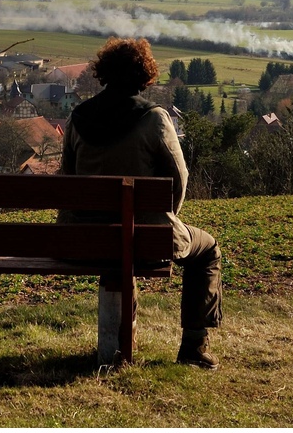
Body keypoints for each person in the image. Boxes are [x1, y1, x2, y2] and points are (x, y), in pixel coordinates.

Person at [59, 36, 222, 369]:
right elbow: (179, 180)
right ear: (144, 74)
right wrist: (165, 218)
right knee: (208, 250)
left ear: (103, 73)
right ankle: (194, 347)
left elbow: (67, 181)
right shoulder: (154, 118)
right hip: (144, 238)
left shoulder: (78, 118)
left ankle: (117, 349)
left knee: (118, 248)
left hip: (81, 241)